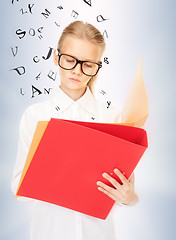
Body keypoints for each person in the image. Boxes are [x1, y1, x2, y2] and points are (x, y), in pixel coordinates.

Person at [11, 20, 138, 240]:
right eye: (70, 60)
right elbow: (18, 189)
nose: (77, 71)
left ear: (97, 67)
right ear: (56, 57)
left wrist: (128, 197)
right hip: (49, 234)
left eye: (88, 64)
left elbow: (126, 191)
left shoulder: (112, 117)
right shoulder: (35, 116)